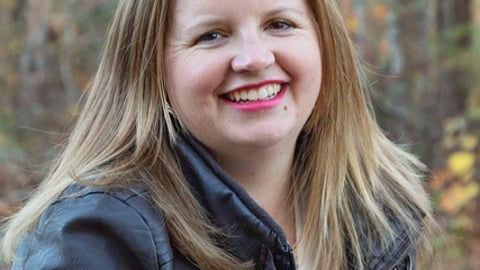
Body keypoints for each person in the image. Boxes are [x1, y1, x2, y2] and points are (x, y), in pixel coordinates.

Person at [1, 0, 437, 269]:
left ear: (325, 43)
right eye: (212, 35)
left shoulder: (375, 207)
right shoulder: (96, 239)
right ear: (152, 71)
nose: (254, 58)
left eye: (279, 23)